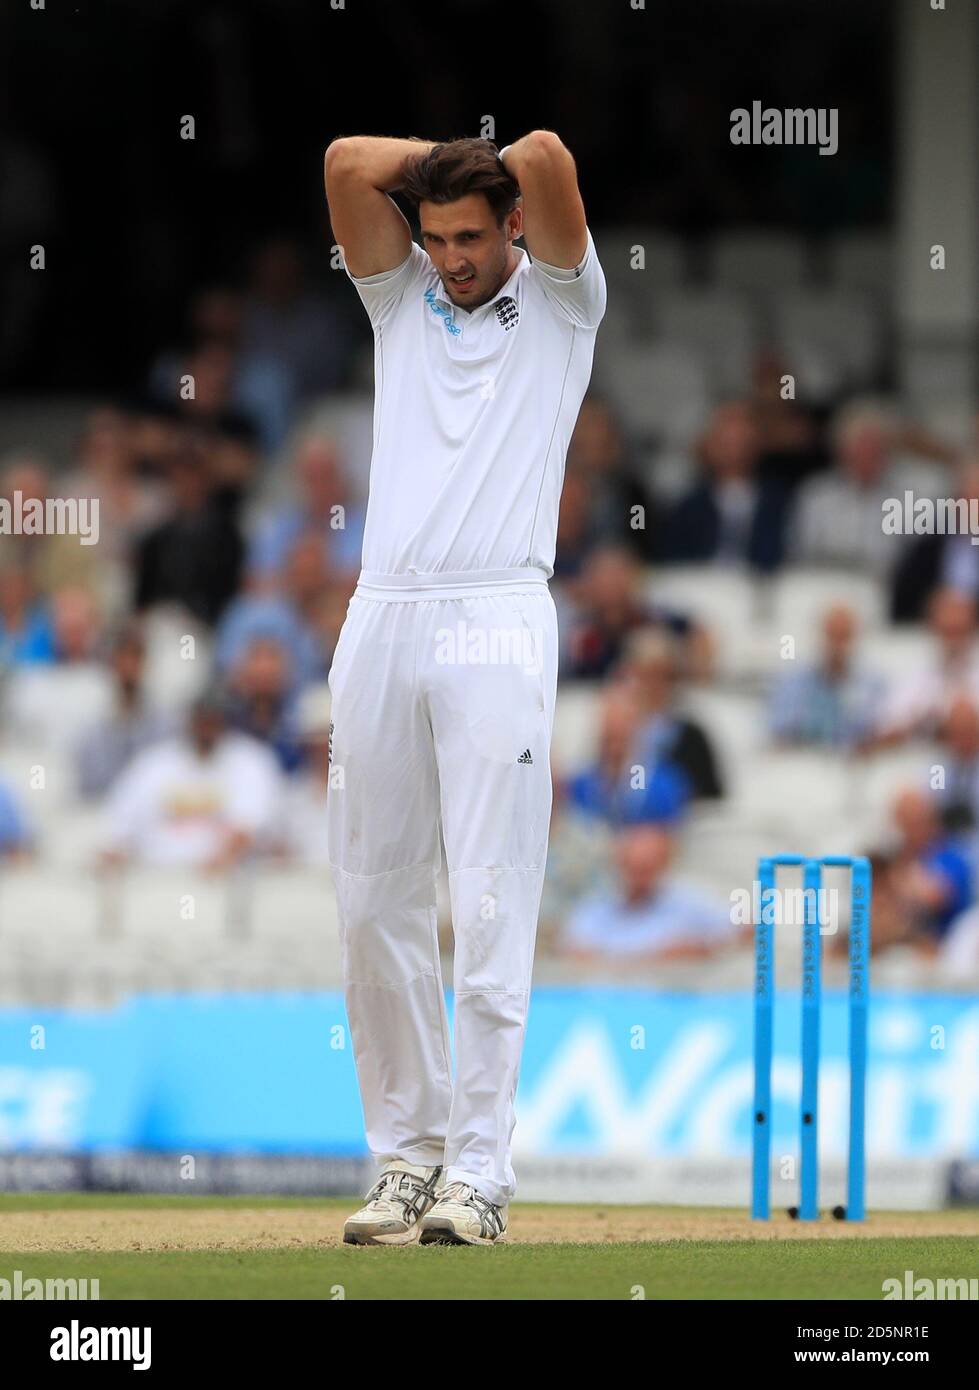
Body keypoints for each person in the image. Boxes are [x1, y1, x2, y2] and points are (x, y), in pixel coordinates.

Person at [324, 130, 606, 1246]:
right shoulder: (398, 301)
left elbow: (541, 152)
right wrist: (437, 171)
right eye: (434, 236)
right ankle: (407, 1158)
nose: (449, 258)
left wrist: (471, 161)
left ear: (516, 229)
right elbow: (348, 162)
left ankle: (479, 1173)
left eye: (469, 237)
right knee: (371, 901)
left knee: (488, 893)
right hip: (383, 606)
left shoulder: (563, 304)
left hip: (496, 606)